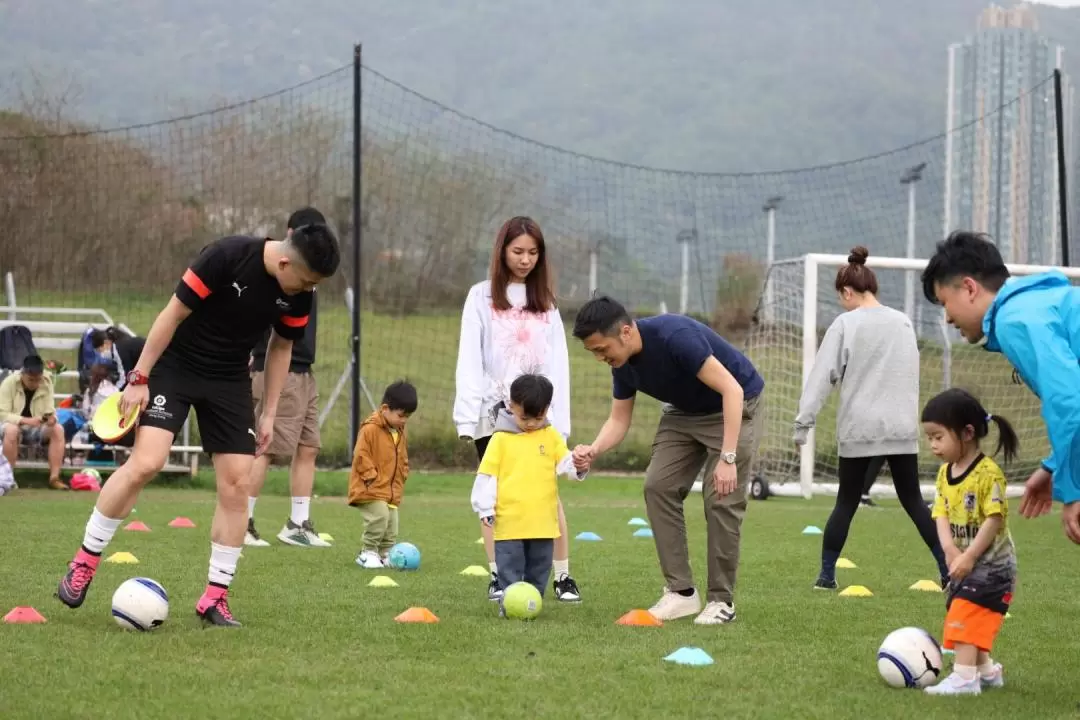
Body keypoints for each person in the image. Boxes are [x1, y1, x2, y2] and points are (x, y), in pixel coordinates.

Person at [54, 214, 341, 627]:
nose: (309, 290)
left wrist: (270, 413)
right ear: (284, 264)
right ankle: (84, 562)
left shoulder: (298, 295)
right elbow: (171, 315)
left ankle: (214, 598)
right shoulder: (225, 256)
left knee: (238, 481)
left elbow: (280, 349)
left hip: (228, 380)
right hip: (177, 366)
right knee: (147, 463)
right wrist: (139, 378)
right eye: (307, 281)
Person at [570, 296, 764, 625]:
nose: (601, 358)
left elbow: (732, 390)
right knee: (658, 486)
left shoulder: (675, 336)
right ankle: (682, 593)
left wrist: (727, 458)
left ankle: (721, 601)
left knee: (721, 498)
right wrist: (594, 449)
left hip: (734, 404)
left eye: (602, 349)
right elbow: (618, 420)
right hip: (684, 412)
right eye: (594, 352)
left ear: (626, 332)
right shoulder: (623, 365)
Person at [793, 246, 949, 590]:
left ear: (847, 291)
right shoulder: (903, 322)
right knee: (913, 501)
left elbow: (822, 376)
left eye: (840, 297)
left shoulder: (845, 324)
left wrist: (804, 422)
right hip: (900, 427)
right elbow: (912, 375)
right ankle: (947, 568)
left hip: (859, 429)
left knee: (846, 501)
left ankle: (826, 575)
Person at [453, 215, 582, 603]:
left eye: (533, 252)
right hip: (495, 414)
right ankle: (498, 575)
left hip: (539, 415)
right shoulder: (480, 297)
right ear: (502, 251)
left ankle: (561, 576)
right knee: (494, 494)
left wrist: (557, 418)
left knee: (547, 494)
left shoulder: (547, 304)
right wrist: (467, 413)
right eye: (517, 251)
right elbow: (470, 356)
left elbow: (558, 362)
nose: (525, 260)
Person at [921, 230, 1080, 544]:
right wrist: (1052, 467)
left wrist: (1074, 490)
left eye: (945, 303)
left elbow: (1069, 402)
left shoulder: (1014, 320)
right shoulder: (1037, 304)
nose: (948, 318)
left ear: (968, 288)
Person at [920, 388, 1018, 696]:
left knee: (964, 613)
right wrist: (949, 549)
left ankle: (964, 679)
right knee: (968, 612)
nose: (933, 445)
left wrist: (970, 556)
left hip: (994, 568)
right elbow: (941, 513)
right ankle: (987, 672)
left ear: (967, 433)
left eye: (938, 437)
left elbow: (995, 518)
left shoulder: (989, 474)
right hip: (967, 563)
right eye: (929, 438)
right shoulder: (944, 473)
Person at [245, 207, 330, 549]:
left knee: (309, 447)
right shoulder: (274, 273)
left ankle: (297, 524)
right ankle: (244, 521)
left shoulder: (312, 276)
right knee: (265, 449)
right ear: (291, 235)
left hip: (304, 371)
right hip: (280, 371)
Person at [470, 374, 589, 612]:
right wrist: (484, 507)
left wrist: (578, 464)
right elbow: (487, 476)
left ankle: (530, 605)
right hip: (510, 523)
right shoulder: (500, 439)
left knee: (539, 570)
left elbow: (565, 464)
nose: (532, 423)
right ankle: (510, 603)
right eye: (525, 417)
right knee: (510, 569)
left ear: (547, 410)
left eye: (539, 417)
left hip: (543, 524)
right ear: (511, 406)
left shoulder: (551, 436)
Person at [348, 381, 417, 568]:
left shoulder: (399, 431)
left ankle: (386, 553)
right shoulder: (370, 429)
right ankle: (367, 551)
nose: (404, 420)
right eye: (401, 415)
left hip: (391, 489)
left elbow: (402, 456)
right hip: (370, 486)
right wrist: (371, 478)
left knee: (392, 524)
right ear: (385, 408)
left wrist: (403, 473)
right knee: (379, 517)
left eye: (407, 417)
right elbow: (360, 455)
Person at [0, 354, 67, 490]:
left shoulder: (46, 382)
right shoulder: (9, 383)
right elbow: (2, 413)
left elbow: (50, 410)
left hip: (36, 427)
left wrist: (52, 419)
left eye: (38, 380)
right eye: (31, 380)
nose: (35, 383)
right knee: (12, 430)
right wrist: (25, 420)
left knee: (58, 429)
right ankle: (8, 478)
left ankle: (54, 478)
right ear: (22, 374)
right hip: (11, 426)